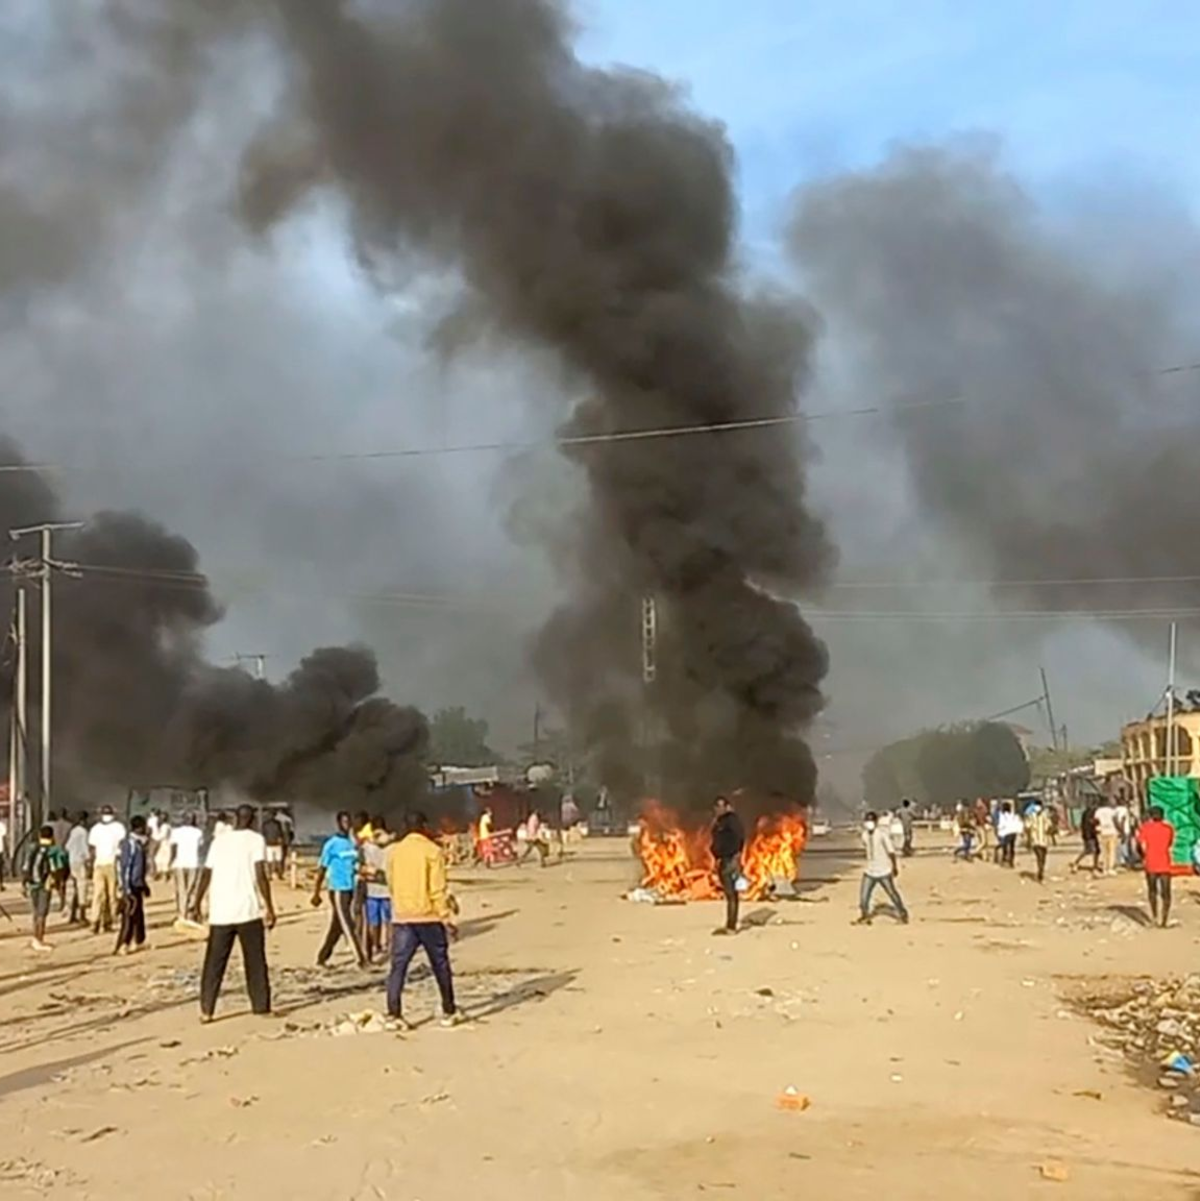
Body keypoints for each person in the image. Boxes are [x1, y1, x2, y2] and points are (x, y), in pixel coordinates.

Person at [192, 804, 276, 1022]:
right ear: (253, 820)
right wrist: (269, 906)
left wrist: (197, 902)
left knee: (214, 963)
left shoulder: (219, 841)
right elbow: (260, 875)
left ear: (235, 818)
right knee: (255, 961)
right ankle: (261, 1007)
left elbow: (206, 873)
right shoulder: (256, 840)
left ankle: (206, 1010)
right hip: (248, 910)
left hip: (221, 911)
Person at [384, 810, 462, 1027]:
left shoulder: (394, 852)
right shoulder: (433, 851)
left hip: (402, 916)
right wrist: (447, 918)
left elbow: (391, 882)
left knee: (398, 967)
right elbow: (437, 889)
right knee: (440, 965)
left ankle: (394, 1014)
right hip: (428, 917)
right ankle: (448, 1011)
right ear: (424, 826)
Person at [312, 811, 366, 968]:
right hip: (337, 888)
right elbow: (321, 869)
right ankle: (360, 959)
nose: (347, 824)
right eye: (344, 821)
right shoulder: (331, 844)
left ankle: (322, 957)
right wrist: (316, 893)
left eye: (349, 821)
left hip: (350, 888)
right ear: (338, 823)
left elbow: (355, 864)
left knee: (337, 925)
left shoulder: (351, 843)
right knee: (348, 923)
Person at [856, 810, 909, 925]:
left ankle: (903, 914)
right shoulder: (864, 835)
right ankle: (865, 916)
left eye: (871, 821)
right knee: (864, 896)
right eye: (867, 821)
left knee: (892, 893)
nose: (869, 823)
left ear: (875, 822)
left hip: (884, 870)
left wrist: (894, 867)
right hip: (870, 870)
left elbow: (891, 851)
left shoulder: (882, 834)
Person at [23, 824, 67, 951]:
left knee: (35, 912)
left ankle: (34, 937)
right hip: (44, 884)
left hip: (32, 884)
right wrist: (58, 885)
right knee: (42, 913)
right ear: (52, 836)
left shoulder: (32, 848)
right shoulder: (54, 850)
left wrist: (24, 883)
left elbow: (26, 866)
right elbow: (57, 869)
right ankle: (39, 939)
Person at [115, 815, 151, 954]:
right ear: (140, 828)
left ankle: (139, 941)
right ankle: (123, 944)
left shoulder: (138, 844)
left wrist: (144, 885)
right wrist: (126, 889)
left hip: (137, 884)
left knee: (138, 915)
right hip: (130, 886)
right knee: (129, 916)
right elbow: (126, 867)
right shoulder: (129, 844)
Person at [710, 795, 745, 936]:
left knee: (732, 894)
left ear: (727, 807)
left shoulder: (732, 820)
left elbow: (740, 837)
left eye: (720, 806)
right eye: (716, 806)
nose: (718, 809)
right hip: (723, 860)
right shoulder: (719, 821)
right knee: (728, 893)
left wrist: (737, 855)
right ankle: (730, 924)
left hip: (731, 860)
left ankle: (731, 926)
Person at [88, 805, 127, 933]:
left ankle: (105, 922)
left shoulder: (114, 828)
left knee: (107, 895)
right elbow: (93, 848)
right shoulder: (100, 829)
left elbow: (92, 848)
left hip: (109, 863)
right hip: (105, 864)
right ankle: (97, 921)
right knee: (104, 895)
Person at [1137, 806, 1176, 928]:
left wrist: (1144, 856)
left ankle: (1154, 917)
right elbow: (1170, 844)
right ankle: (1164, 920)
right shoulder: (1168, 828)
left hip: (1150, 863)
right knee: (1166, 893)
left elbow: (1141, 845)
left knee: (1152, 891)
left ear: (1151, 816)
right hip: (1164, 863)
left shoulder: (1145, 828)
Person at [362, 826, 393, 964]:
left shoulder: (367, 847)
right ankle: (388, 946)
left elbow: (360, 866)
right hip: (384, 890)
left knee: (374, 922)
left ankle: (377, 946)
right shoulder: (392, 848)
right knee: (388, 921)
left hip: (374, 890)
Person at [169, 813, 205, 921]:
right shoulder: (198, 832)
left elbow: (174, 847)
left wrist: (171, 860)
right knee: (191, 889)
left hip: (179, 863)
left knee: (181, 889)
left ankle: (182, 913)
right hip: (193, 863)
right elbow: (200, 846)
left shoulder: (176, 832)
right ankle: (188, 911)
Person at [65, 811, 91, 925]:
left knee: (76, 889)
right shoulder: (83, 832)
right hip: (80, 862)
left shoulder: (73, 831)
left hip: (72, 861)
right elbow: (85, 849)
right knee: (82, 889)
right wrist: (88, 860)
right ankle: (82, 916)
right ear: (84, 820)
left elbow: (67, 846)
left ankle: (72, 915)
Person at [1071, 802, 1100, 875]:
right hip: (1089, 835)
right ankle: (1094, 868)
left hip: (1090, 834)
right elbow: (1091, 822)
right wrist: (1097, 823)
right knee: (1093, 850)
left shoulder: (1086, 813)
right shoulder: (1090, 813)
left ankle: (1093, 865)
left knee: (1093, 851)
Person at [1026, 801, 1052, 883]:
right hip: (1036, 840)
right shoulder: (1031, 816)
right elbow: (1027, 826)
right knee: (1040, 857)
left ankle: (1041, 870)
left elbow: (1049, 825)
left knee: (1043, 858)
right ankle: (1040, 872)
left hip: (1044, 840)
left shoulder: (1045, 815)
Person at [1095, 798, 1120, 875]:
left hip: (1103, 832)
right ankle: (1111, 868)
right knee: (1112, 851)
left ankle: (1105, 868)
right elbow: (1115, 821)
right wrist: (1119, 830)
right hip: (1112, 831)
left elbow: (1096, 821)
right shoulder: (1111, 811)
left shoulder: (1098, 811)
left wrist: (1098, 828)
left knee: (1104, 851)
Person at [262, 810, 286, 881]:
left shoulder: (272, 824)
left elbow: (280, 834)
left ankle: (277, 874)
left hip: (273, 844)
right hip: (271, 844)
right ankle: (274, 875)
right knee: (273, 860)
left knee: (275, 860)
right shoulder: (272, 824)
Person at [996, 802, 1022, 869]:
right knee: (1012, 847)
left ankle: (1004, 859)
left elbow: (1001, 824)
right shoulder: (1013, 815)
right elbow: (1017, 822)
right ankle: (1011, 862)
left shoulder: (1003, 815)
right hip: (1013, 832)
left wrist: (999, 830)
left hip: (1006, 832)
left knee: (1005, 846)